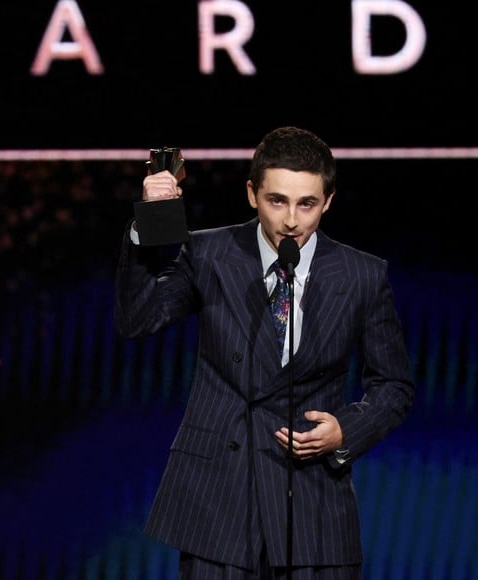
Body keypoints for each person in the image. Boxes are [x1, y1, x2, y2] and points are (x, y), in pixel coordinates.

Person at [114, 126, 415, 579]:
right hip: (218, 505)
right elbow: (138, 321)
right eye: (277, 201)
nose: (292, 220)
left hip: (312, 506)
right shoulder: (210, 253)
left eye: (307, 204)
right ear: (252, 194)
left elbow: (393, 385)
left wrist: (345, 432)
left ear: (328, 201)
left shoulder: (362, 275)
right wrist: (147, 225)